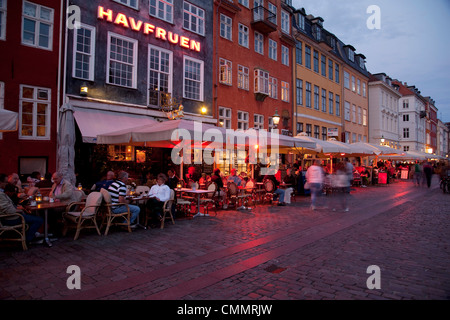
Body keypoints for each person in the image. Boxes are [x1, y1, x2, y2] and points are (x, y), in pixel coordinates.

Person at [0, 174, 44, 244]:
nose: (7, 184)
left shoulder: (3, 192)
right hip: (9, 219)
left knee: (30, 215)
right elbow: (10, 210)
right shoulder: (1, 194)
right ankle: (28, 240)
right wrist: (20, 210)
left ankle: (31, 234)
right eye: (6, 182)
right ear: (0, 182)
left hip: (9, 216)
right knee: (39, 219)